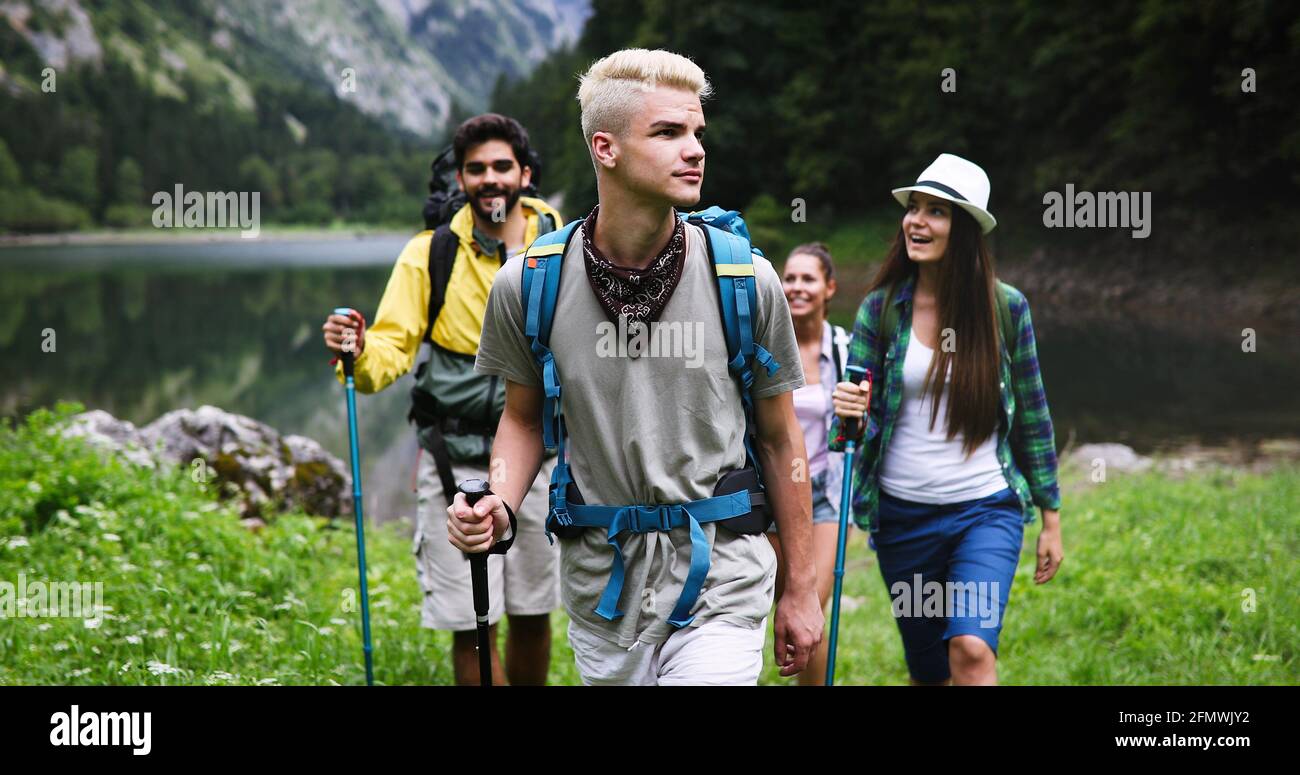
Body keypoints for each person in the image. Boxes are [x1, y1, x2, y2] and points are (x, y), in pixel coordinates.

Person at [446, 48, 823, 685]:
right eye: (669, 132)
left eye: (698, 132)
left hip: (721, 582)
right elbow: (522, 420)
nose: (695, 149)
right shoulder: (529, 284)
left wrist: (800, 587)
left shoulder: (745, 279)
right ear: (606, 148)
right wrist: (502, 506)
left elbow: (782, 437)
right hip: (603, 590)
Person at [321, 114, 563, 686]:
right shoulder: (430, 254)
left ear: (524, 174)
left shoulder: (562, 247)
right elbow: (390, 349)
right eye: (476, 169)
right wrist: (355, 351)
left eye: (502, 166)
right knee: (472, 625)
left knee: (532, 614)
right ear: (461, 179)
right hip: (452, 459)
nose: (490, 179)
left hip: (541, 462)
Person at [829, 153, 1064, 686]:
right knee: (931, 671)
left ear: (964, 230)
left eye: (937, 212)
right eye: (914, 208)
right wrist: (848, 413)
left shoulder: (1006, 310)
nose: (917, 221)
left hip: (984, 511)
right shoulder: (881, 309)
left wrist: (1051, 518)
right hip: (902, 518)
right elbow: (847, 435)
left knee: (972, 649)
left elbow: (1033, 415)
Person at [771, 242, 852, 685]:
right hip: (773, 491)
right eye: (791, 278)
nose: (797, 287)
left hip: (827, 490)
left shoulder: (846, 350)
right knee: (783, 602)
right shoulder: (763, 344)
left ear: (829, 288)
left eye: (808, 279)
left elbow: (867, 425)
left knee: (810, 608)